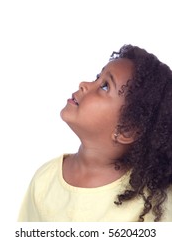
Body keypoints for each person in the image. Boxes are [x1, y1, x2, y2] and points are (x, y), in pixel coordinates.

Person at [18, 45, 172, 222]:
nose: (84, 84)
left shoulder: (151, 203)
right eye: (97, 78)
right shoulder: (44, 180)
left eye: (105, 86)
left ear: (126, 129)